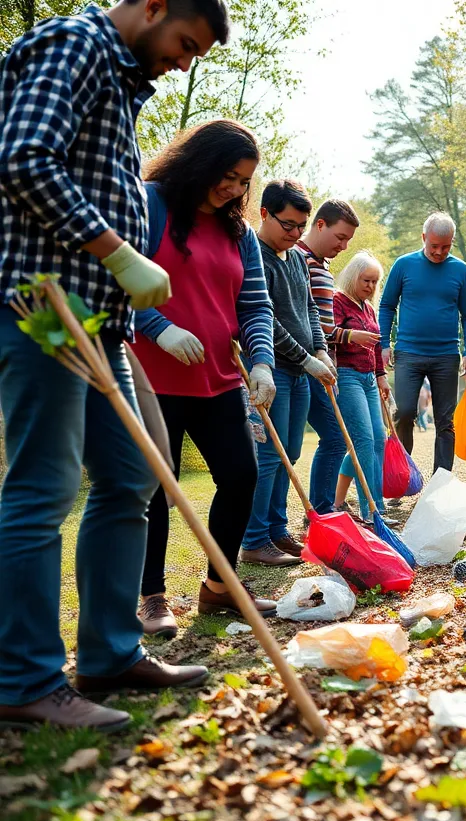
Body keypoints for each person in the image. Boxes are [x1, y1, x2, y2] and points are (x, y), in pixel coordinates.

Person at [0, 0, 229, 732]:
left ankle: (109, 651)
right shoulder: (75, 41)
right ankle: (24, 680)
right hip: (43, 307)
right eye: (184, 43)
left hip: (102, 324)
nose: (184, 62)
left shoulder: (120, 73)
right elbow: (22, 157)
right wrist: (118, 251)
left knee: (135, 474)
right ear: (153, 6)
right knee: (43, 487)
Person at [130, 119, 278, 638]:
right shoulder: (149, 203)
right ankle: (151, 596)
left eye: (243, 182)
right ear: (201, 160)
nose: (234, 189)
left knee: (241, 476)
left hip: (218, 379)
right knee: (156, 489)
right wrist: (159, 327)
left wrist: (261, 360)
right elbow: (116, 280)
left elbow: (255, 305)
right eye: (228, 176)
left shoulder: (239, 233)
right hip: (153, 376)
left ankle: (220, 587)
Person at [240, 180, 336, 563]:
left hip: (300, 371)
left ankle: (277, 530)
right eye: (288, 225)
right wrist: (303, 358)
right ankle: (254, 540)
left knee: (290, 451)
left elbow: (309, 309)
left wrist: (320, 350)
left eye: (301, 226)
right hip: (270, 369)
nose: (296, 234)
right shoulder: (255, 256)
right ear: (264, 213)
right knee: (268, 455)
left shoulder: (296, 257)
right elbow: (266, 320)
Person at [379, 211, 466, 474]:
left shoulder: (461, 270)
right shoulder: (403, 265)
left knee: (445, 421)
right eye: (434, 245)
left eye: (446, 246)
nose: (439, 252)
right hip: (408, 353)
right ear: (424, 238)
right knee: (405, 412)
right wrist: (384, 343)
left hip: (446, 355)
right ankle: (403, 475)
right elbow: (387, 305)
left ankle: (441, 481)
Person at [296, 200, 359, 516]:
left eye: (348, 240)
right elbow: (303, 319)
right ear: (319, 224)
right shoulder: (299, 258)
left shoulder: (320, 263)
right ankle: (322, 508)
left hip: (325, 363)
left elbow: (322, 322)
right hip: (304, 364)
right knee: (334, 437)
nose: (344, 246)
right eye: (340, 237)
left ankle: (323, 507)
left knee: (334, 438)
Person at [331, 251, 395, 525]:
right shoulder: (338, 301)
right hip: (347, 376)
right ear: (352, 276)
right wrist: (351, 336)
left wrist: (382, 377)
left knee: (376, 441)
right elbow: (325, 332)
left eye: (374, 282)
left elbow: (377, 345)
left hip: (370, 379)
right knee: (364, 442)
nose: (370, 286)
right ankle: (372, 510)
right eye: (365, 280)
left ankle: (341, 501)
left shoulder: (368, 308)